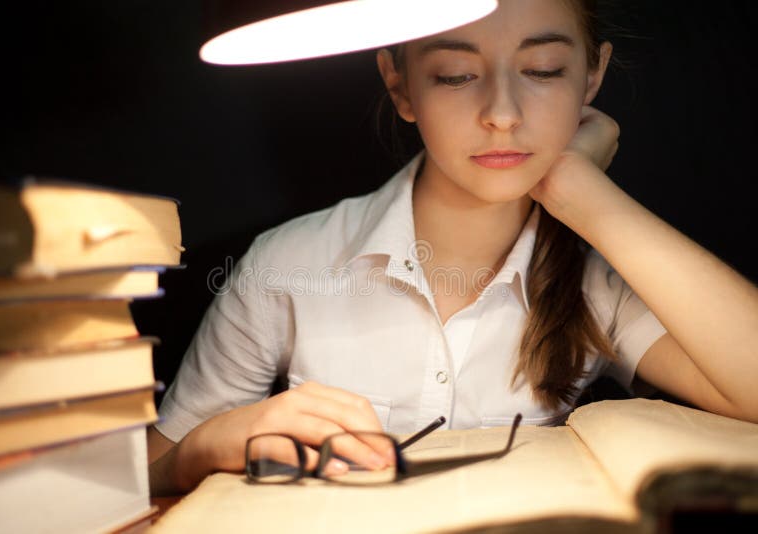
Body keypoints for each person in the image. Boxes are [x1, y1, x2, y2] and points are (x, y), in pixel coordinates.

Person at [148, 0, 758, 494]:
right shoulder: (288, 265)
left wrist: (583, 193)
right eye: (456, 75)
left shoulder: (602, 279)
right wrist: (201, 448)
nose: (501, 114)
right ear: (401, 84)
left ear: (591, 76)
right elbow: (140, 476)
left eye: (543, 70)